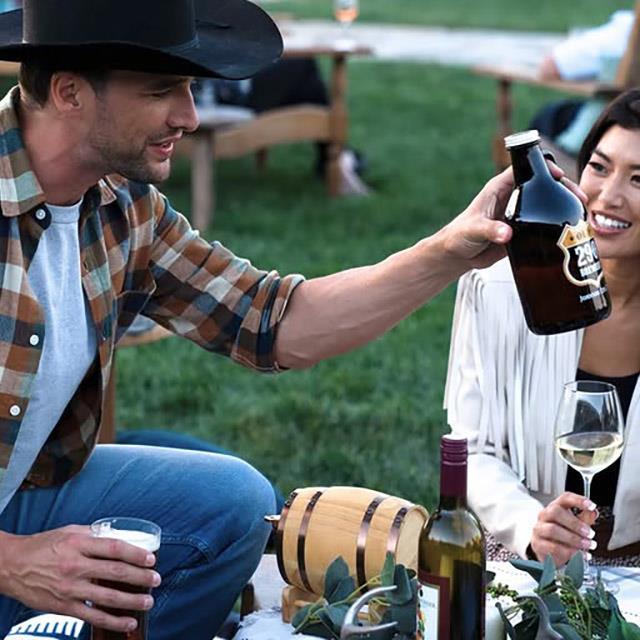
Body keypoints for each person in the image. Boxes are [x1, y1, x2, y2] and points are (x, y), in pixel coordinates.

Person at [0, 0, 575, 638]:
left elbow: (274, 322)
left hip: (23, 492)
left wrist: (449, 251)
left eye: (190, 88)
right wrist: (15, 562)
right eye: (163, 89)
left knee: (235, 503)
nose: (188, 116)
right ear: (69, 92)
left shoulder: (124, 207)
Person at [445, 89, 640, 568]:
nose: (607, 196)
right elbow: (470, 449)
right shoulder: (499, 291)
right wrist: (530, 525)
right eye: (599, 166)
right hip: (519, 557)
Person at [532, 8, 635, 155]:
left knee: (551, 115)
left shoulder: (627, 31)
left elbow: (551, 67)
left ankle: (536, 173)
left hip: (610, 137)